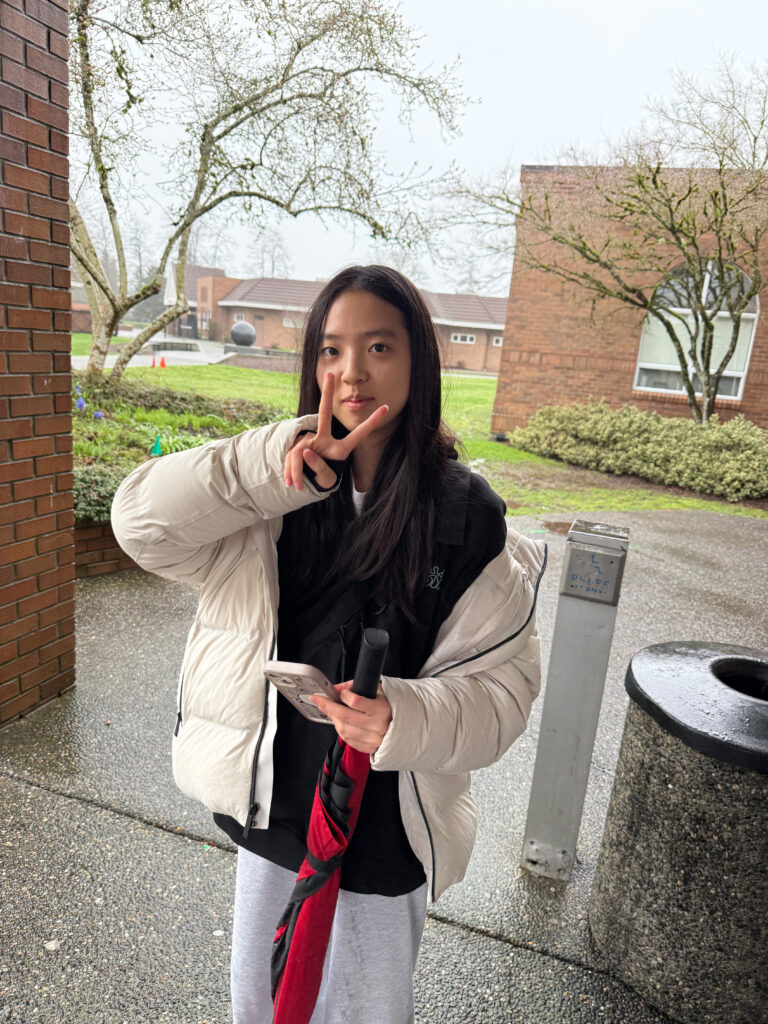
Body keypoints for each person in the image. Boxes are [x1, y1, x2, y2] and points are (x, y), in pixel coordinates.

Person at [111, 265, 545, 1024]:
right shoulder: (269, 496)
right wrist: (273, 466)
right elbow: (140, 525)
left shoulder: (467, 516)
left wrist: (403, 717)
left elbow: (504, 695)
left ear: (417, 361)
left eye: (378, 347)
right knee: (262, 1002)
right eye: (331, 350)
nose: (352, 373)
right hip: (277, 806)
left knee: (366, 1010)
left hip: (386, 827)